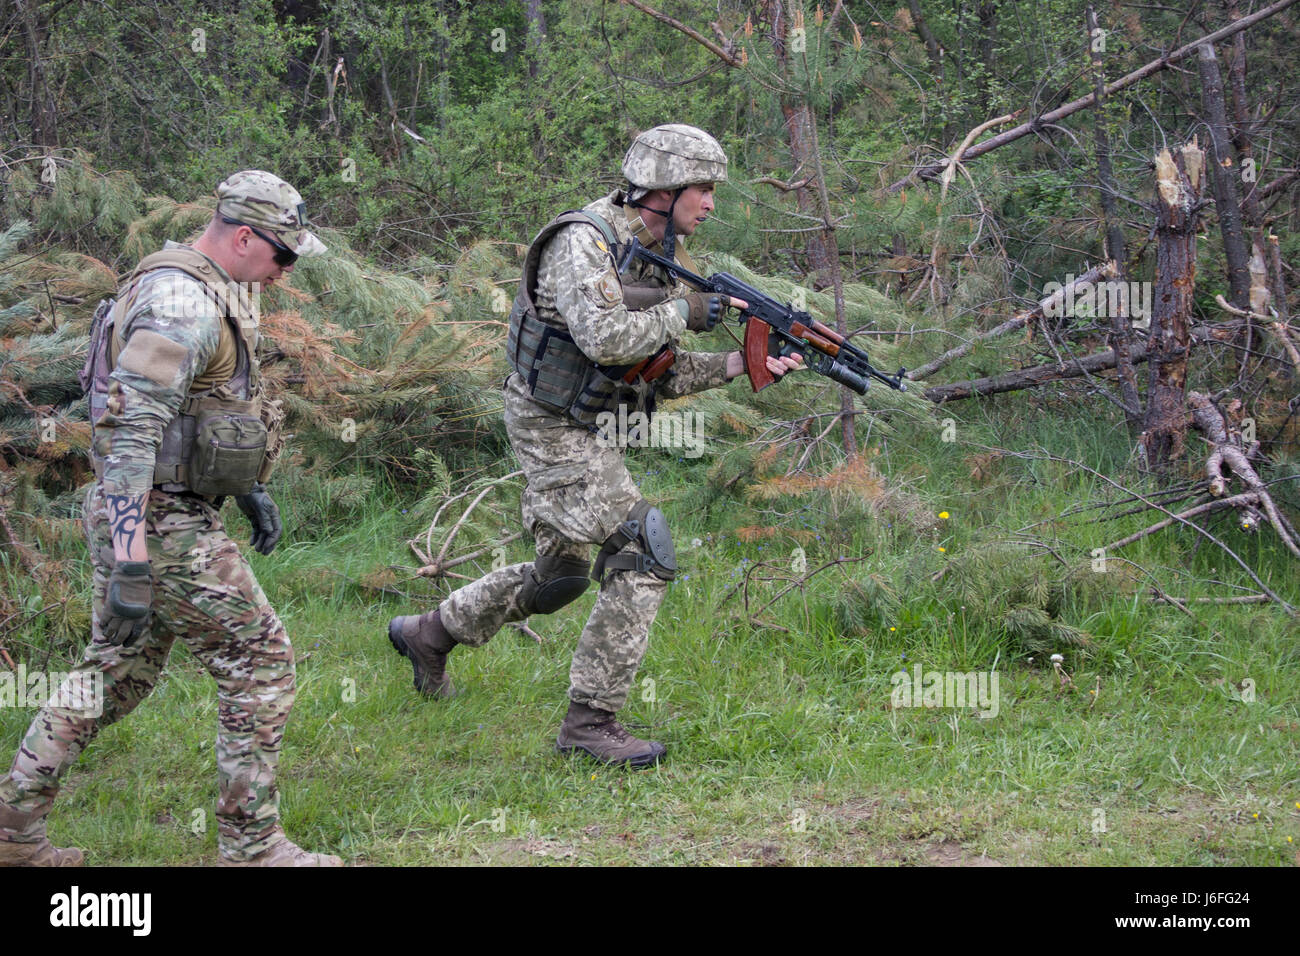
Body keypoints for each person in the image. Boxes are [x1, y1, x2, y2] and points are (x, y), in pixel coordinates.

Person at [387, 125, 803, 766]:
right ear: (664, 188)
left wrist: (742, 366)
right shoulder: (584, 242)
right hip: (550, 424)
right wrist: (686, 311)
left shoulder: (651, 253)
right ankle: (591, 722)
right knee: (643, 547)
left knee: (560, 581)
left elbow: (654, 369)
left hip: (591, 422)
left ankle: (430, 633)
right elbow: (608, 338)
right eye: (705, 189)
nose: (712, 204)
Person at [0, 171, 341, 866]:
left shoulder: (204, 282)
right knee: (258, 659)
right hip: (158, 519)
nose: (285, 271)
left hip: (161, 508)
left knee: (116, 673)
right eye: (284, 255)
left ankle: (14, 831)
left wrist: (245, 486)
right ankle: (252, 847)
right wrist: (129, 555)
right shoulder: (181, 301)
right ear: (245, 237)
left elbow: (199, 410)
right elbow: (128, 435)